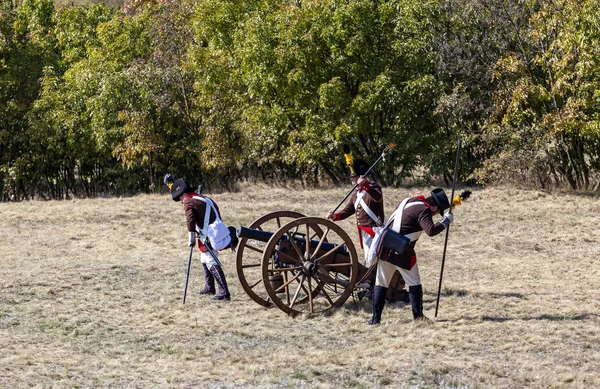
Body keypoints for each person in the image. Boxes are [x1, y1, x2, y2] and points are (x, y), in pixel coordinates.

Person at [368, 188, 454, 324]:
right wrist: (445, 222)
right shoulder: (424, 210)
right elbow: (430, 230)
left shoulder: (409, 201)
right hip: (402, 253)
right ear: (435, 207)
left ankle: (375, 319)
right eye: (438, 212)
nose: (436, 214)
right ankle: (418, 317)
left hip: (385, 247)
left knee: (381, 283)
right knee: (414, 283)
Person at [165, 174, 235, 301]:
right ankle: (210, 287)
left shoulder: (188, 202)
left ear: (183, 195)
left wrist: (191, 238)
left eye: (180, 197)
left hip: (211, 234)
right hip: (214, 230)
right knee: (204, 258)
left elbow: (190, 220)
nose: (180, 201)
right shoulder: (203, 198)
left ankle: (224, 292)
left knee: (210, 260)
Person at [326, 158, 385, 267]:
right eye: (352, 180)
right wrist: (335, 216)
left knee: (373, 258)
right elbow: (347, 211)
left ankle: (371, 279)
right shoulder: (356, 195)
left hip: (375, 230)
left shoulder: (373, 187)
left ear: (361, 177)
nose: (353, 182)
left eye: (355, 179)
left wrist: (366, 184)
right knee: (369, 256)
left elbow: (378, 197)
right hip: (364, 232)